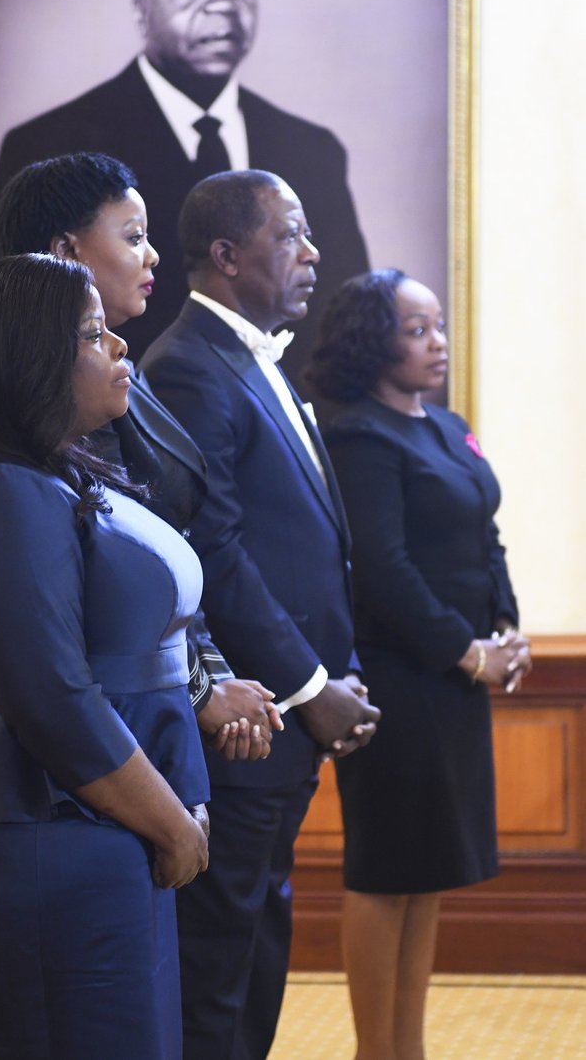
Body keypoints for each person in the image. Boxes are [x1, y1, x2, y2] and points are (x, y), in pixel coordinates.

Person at [0, 253, 211, 1059]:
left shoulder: (46, 473)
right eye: (92, 334)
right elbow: (54, 697)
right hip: (50, 823)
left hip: (101, 816)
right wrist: (171, 820)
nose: (118, 346)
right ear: (25, 361)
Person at [139, 169, 381, 1060]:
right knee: (217, 968)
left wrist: (333, 672)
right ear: (227, 255)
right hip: (247, 722)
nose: (312, 252)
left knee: (255, 948)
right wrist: (309, 686)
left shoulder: (250, 357)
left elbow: (304, 544)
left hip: (285, 718)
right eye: (290, 234)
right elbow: (216, 551)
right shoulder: (189, 366)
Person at [0, 0, 369, 391]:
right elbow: (24, 319)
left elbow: (341, 325)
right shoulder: (49, 141)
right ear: (142, 8)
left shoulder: (314, 149)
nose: (222, 4)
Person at [305, 268, 532, 1060]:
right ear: (372, 341)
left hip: (453, 681)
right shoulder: (357, 435)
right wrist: (466, 652)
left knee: (426, 871)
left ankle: (409, 1047)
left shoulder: (446, 425)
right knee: (385, 871)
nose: (436, 341)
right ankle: (377, 1050)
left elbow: (484, 533)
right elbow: (382, 570)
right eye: (415, 329)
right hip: (396, 682)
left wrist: (505, 628)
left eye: (437, 325)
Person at [0, 150, 283, 760]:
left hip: (165, 695)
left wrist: (216, 678)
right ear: (66, 251)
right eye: (132, 237)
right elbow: (110, 571)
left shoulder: (123, 367)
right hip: (110, 717)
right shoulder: (44, 392)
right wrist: (205, 692)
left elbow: (170, 545)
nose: (151, 256)